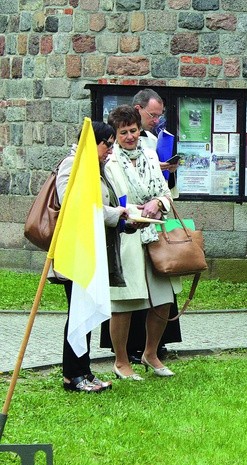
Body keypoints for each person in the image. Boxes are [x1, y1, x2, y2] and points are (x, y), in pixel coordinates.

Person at [100, 88, 182, 364]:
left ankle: (151, 354)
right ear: (115, 136)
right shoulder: (109, 163)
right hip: (127, 233)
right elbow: (111, 200)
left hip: (154, 231)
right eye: (123, 133)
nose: (130, 136)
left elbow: (165, 193)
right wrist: (134, 210)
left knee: (162, 298)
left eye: (133, 131)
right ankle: (121, 360)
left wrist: (158, 203)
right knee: (124, 301)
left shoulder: (149, 155)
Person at [54, 121, 130, 392]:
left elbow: (101, 204)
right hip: (76, 251)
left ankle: (84, 372)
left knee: (85, 310)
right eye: (106, 144)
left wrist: (123, 214)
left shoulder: (97, 167)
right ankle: (72, 375)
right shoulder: (72, 164)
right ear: (91, 142)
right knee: (77, 312)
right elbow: (71, 204)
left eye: (111, 145)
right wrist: (114, 215)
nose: (110, 150)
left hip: (93, 250)